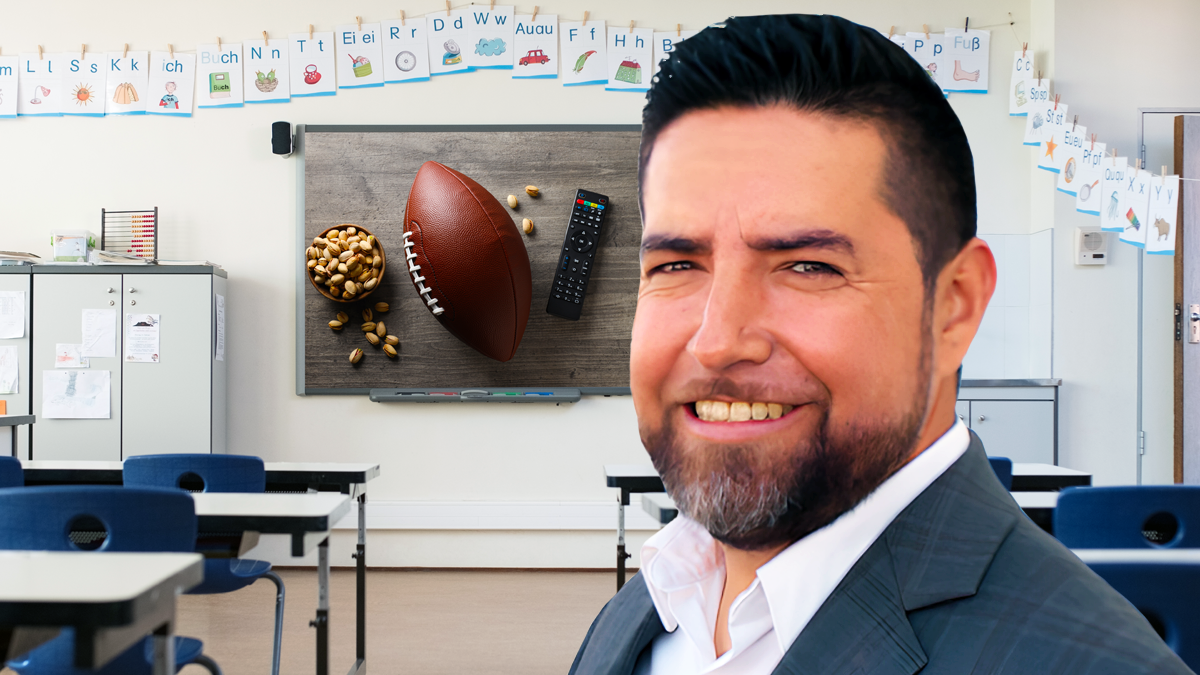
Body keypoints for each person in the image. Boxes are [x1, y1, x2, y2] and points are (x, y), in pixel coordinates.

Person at [569, 14, 1193, 675]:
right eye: (676, 264)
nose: (718, 340)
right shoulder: (644, 609)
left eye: (808, 265)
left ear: (954, 307)